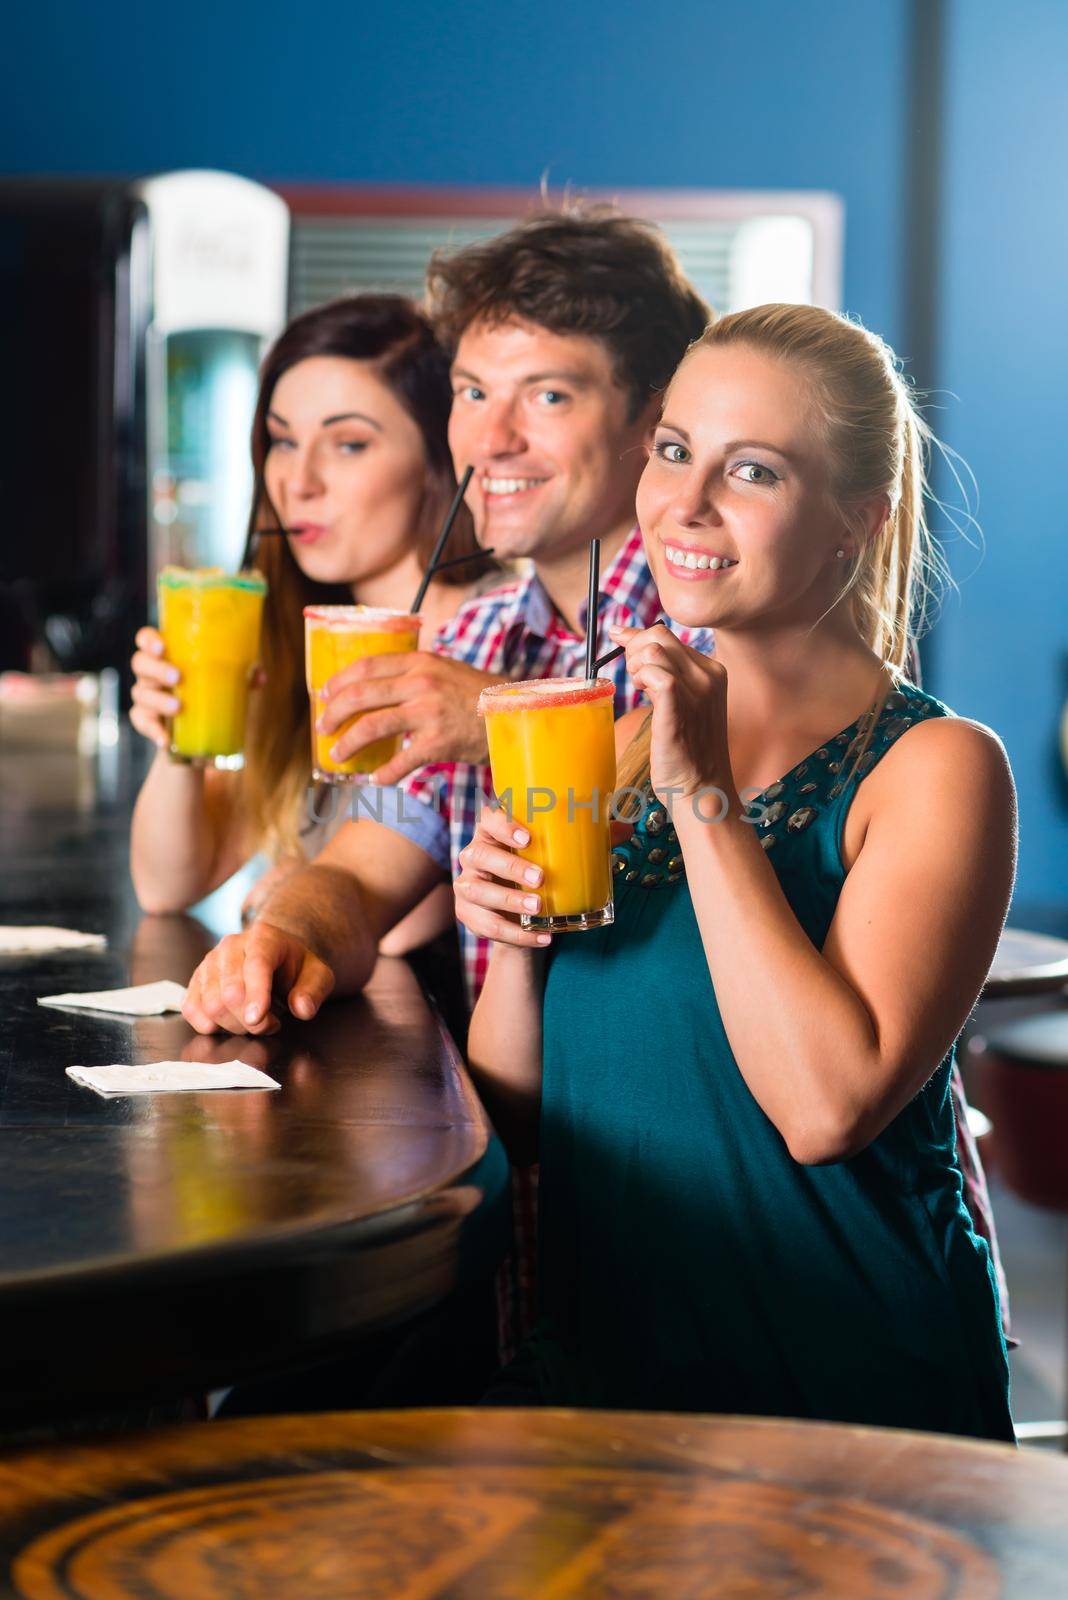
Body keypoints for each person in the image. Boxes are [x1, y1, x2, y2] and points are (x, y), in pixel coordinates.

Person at [456, 303, 1016, 1441]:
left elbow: (826, 1107)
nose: (684, 504)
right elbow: (526, 1116)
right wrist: (511, 947)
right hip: (611, 1388)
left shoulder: (937, 768)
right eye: (673, 450)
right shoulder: (611, 746)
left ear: (861, 518)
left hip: (841, 1400)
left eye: (750, 470)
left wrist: (703, 797)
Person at [178, 208, 713, 1036]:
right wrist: (284, 936)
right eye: (471, 392)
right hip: (534, 1147)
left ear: (654, 421)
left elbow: (696, 749)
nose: (491, 439)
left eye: (547, 394)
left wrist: (496, 717)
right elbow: (358, 881)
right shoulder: (480, 634)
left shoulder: (725, 611)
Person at [128, 293, 494, 923]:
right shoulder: (308, 641)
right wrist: (176, 740)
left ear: (440, 457)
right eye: (281, 441)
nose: (298, 482)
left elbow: (411, 922)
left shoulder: (492, 635)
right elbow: (166, 884)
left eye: (349, 444)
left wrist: (309, 886)